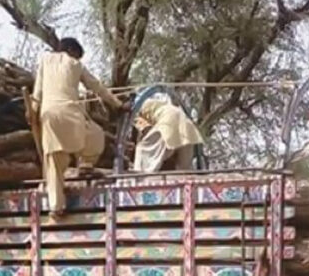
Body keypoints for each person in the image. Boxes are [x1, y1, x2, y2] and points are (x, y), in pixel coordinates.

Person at [32, 37, 127, 219]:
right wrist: (117, 104)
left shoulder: (44, 60)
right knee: (96, 135)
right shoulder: (76, 64)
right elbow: (96, 86)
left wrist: (33, 111)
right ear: (72, 51)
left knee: (53, 163)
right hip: (70, 113)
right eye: (77, 55)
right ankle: (85, 163)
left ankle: (56, 207)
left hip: (49, 115)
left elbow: (37, 92)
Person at [132, 98, 204, 172]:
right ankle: (184, 177)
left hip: (168, 123)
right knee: (184, 167)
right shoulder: (164, 106)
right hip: (187, 127)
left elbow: (145, 128)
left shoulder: (141, 109)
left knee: (141, 148)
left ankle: (141, 174)